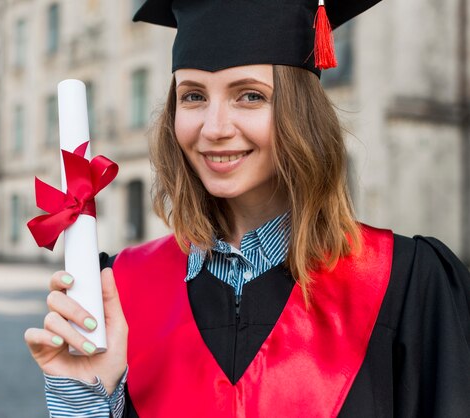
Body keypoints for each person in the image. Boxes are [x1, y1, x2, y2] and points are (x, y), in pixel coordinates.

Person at [24, 0, 470, 416]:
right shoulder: (120, 290)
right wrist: (84, 398)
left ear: (302, 115)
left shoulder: (405, 281)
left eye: (249, 95)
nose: (214, 128)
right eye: (194, 96)